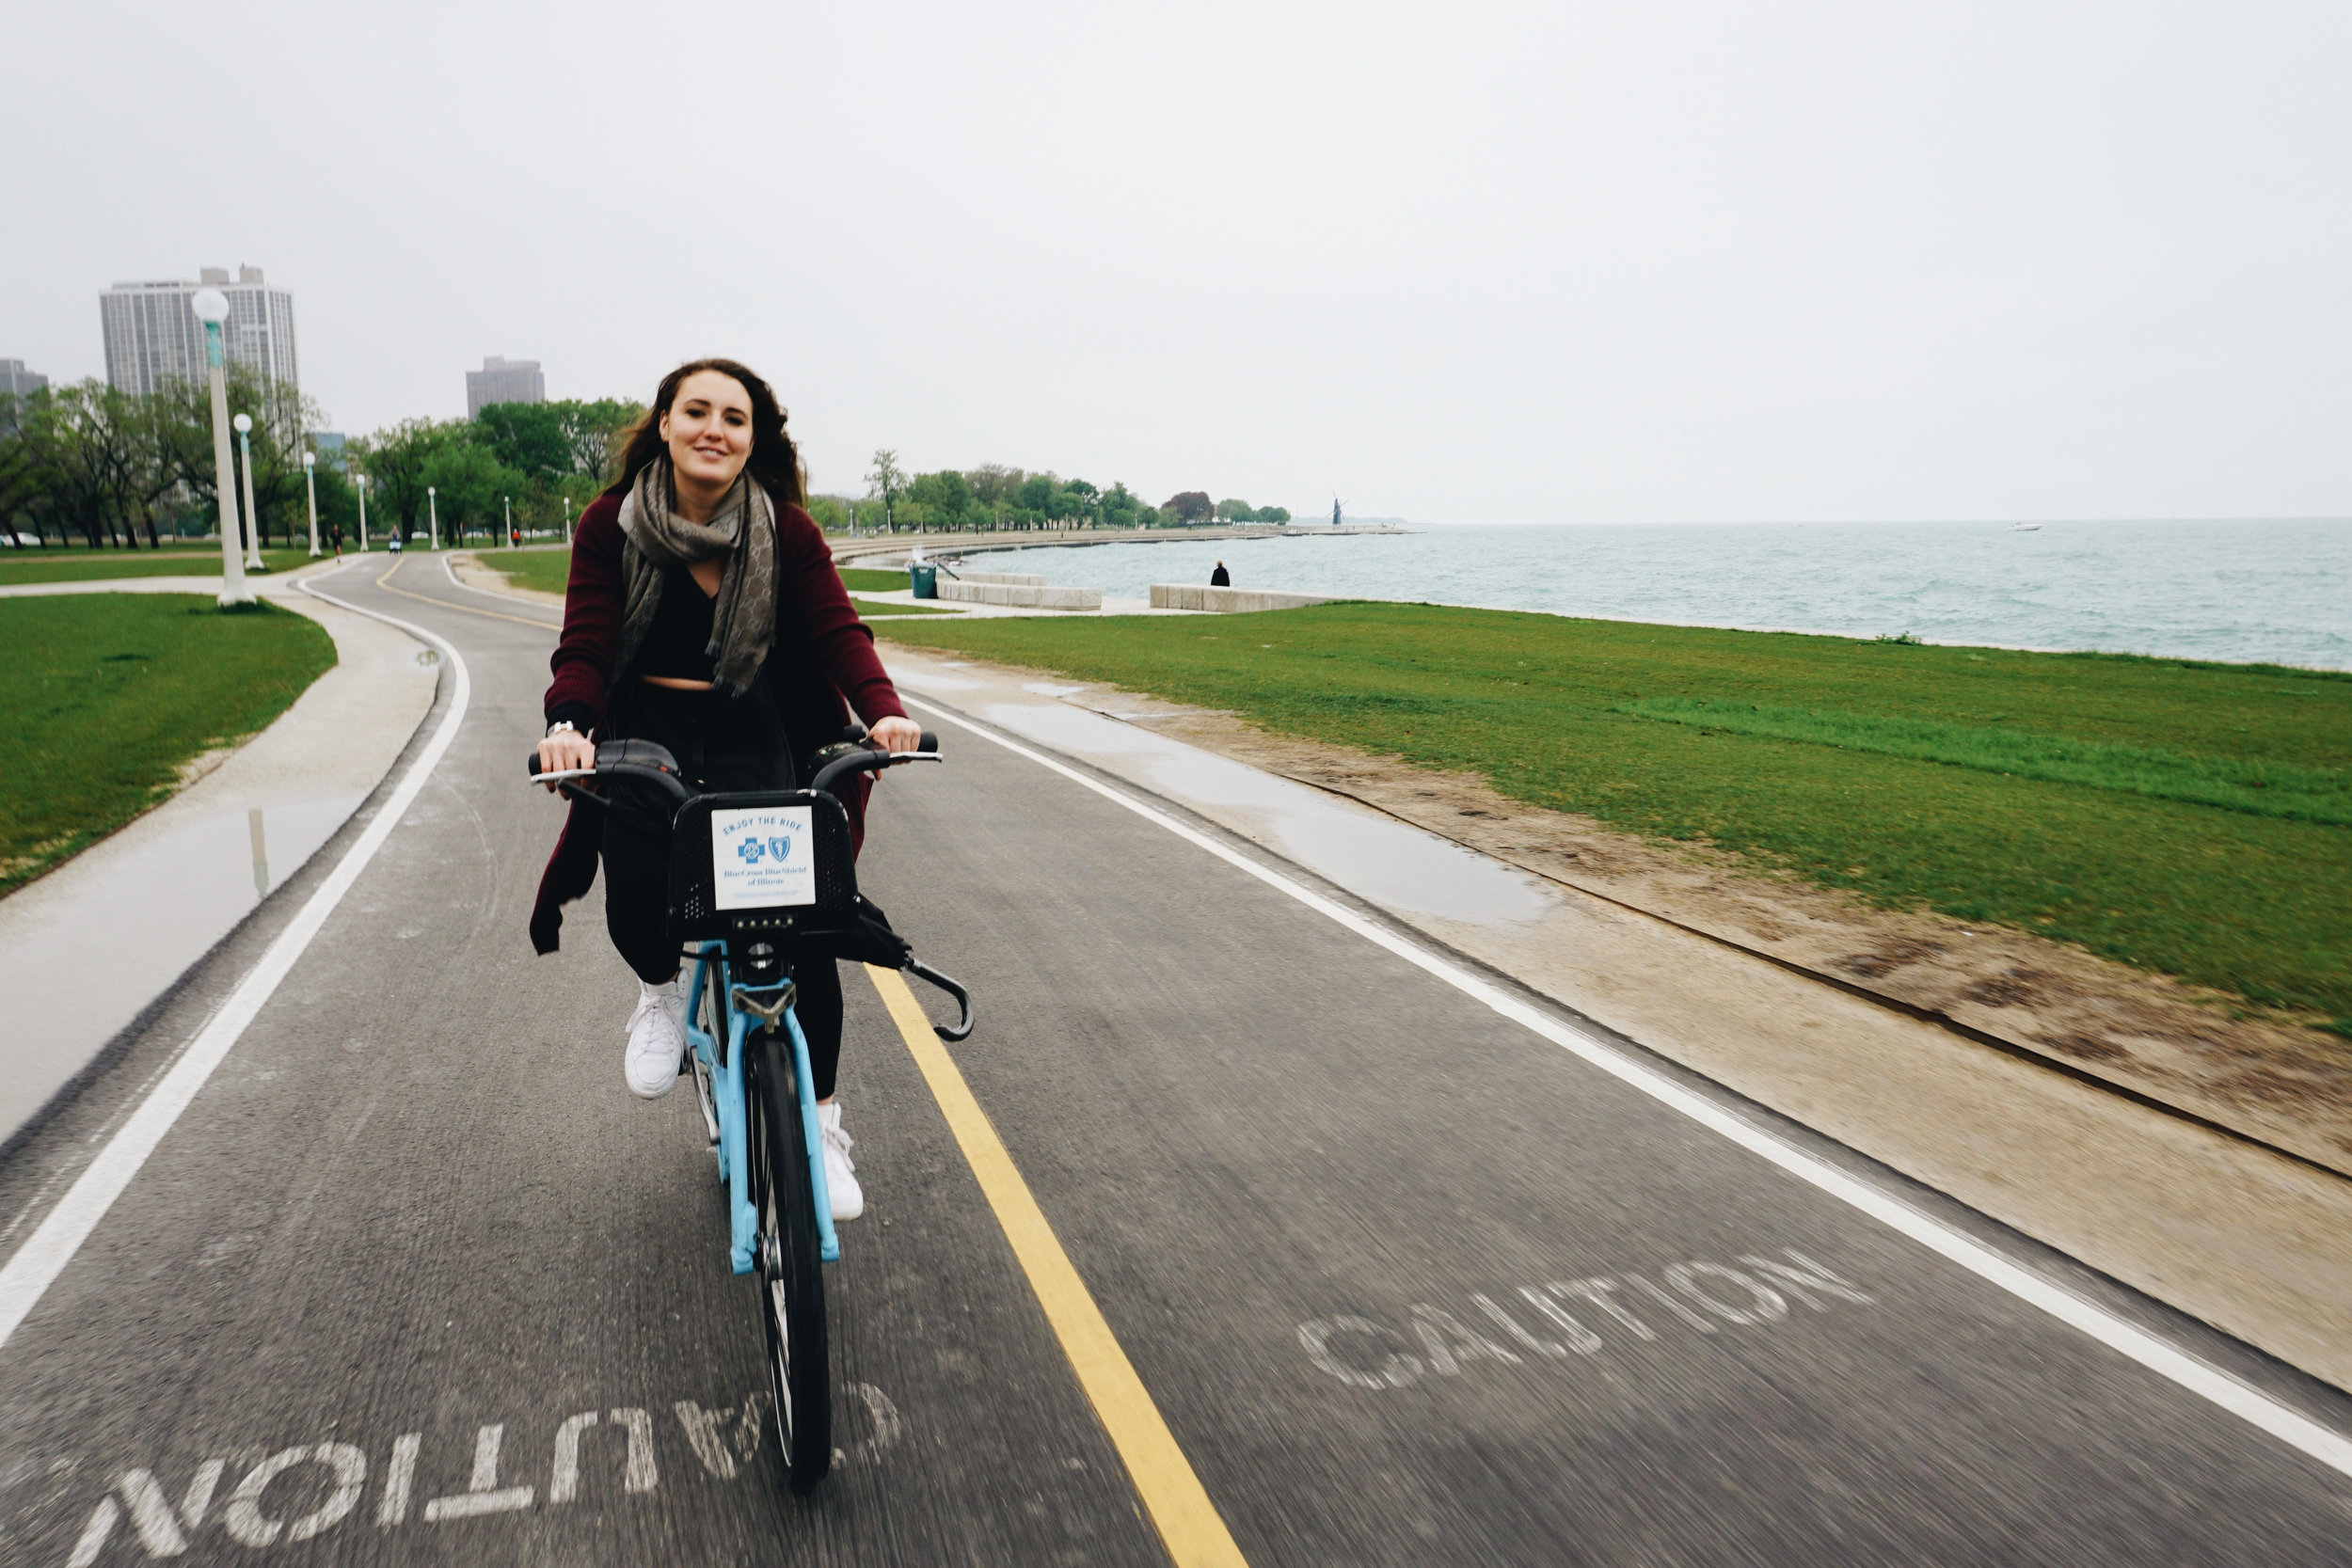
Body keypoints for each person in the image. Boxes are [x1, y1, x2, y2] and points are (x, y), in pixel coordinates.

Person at [531, 357, 919, 1221]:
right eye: (696, 412)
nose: (715, 429)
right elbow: (586, 643)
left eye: (734, 418)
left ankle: (819, 1125)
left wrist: (884, 712)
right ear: (664, 425)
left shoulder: (785, 529)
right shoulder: (610, 526)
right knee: (640, 872)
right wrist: (569, 724)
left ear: (755, 439)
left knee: (804, 921)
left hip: (755, 727)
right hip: (647, 729)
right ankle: (660, 994)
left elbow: (837, 632)